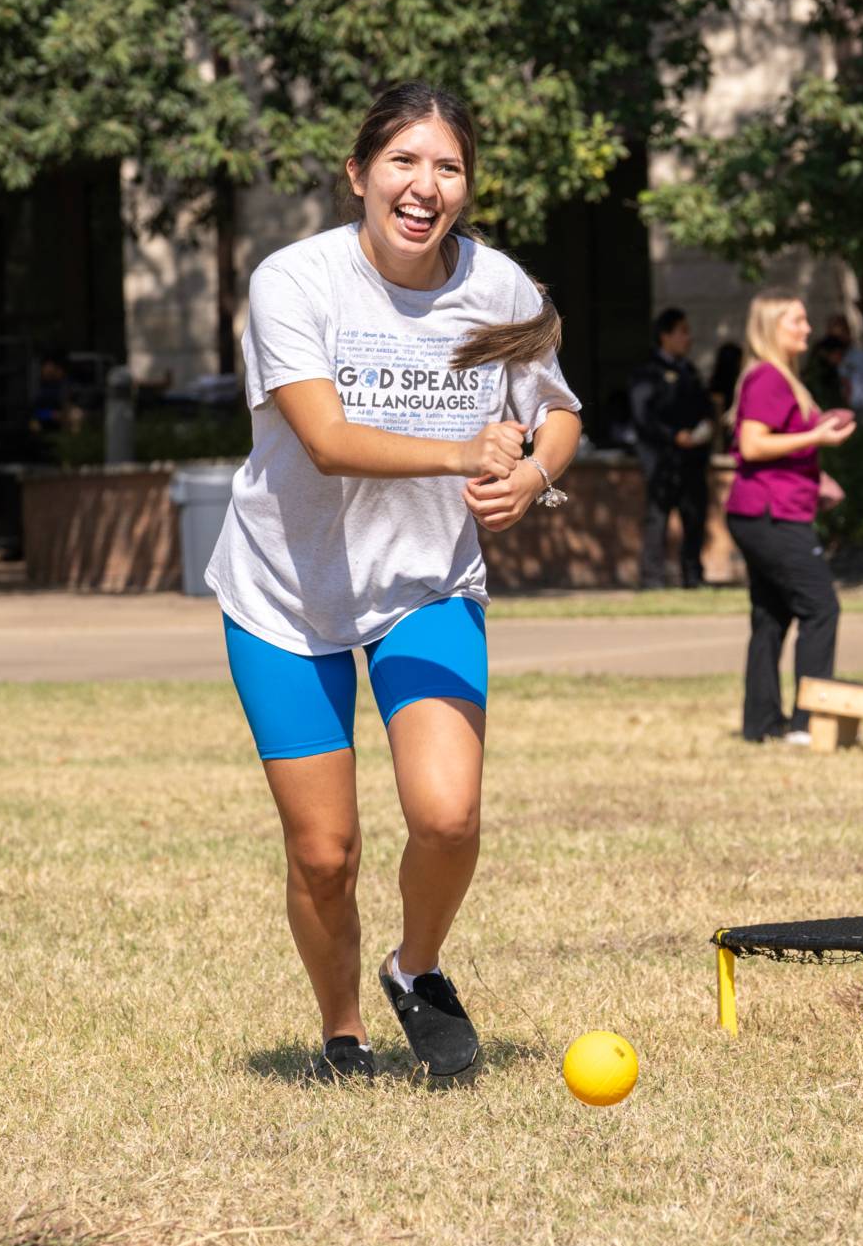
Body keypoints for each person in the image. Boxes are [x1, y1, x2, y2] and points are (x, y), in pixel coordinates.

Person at [203, 82, 582, 1083]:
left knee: (449, 814)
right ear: (360, 174)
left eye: (448, 167)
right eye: (404, 163)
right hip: (285, 592)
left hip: (425, 582)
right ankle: (342, 1035)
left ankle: (415, 971)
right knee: (325, 852)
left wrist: (535, 475)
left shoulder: (501, 288)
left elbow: (559, 415)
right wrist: (463, 451)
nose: (425, 187)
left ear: (468, 184)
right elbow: (324, 442)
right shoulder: (296, 282)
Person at [725, 294, 856, 745]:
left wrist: (818, 478)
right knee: (821, 606)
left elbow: (780, 448)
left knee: (772, 614)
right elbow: (754, 444)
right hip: (769, 514)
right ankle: (808, 723)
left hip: (770, 509)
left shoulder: (778, 377)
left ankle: (761, 724)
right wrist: (816, 435)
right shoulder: (767, 378)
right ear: (772, 328)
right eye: (796, 320)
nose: (807, 327)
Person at [628, 307, 714, 588]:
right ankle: (652, 579)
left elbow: (703, 406)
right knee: (658, 519)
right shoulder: (647, 372)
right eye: (682, 332)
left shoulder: (688, 370)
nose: (687, 338)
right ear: (665, 336)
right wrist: (673, 435)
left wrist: (705, 427)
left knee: (694, 517)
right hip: (661, 461)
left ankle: (693, 576)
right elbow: (644, 417)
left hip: (691, 459)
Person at [822, 314, 863, 419]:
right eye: (832, 339)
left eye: (839, 338)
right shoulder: (823, 363)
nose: (836, 344)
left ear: (848, 334)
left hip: (862, 419)